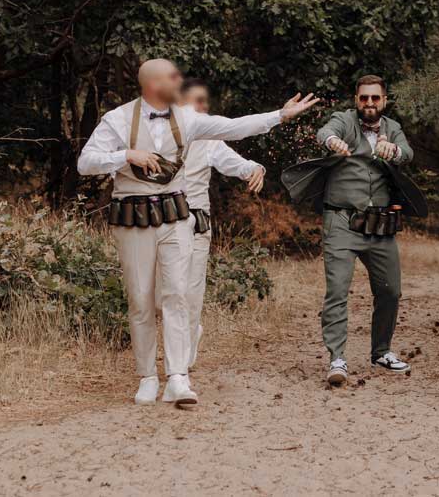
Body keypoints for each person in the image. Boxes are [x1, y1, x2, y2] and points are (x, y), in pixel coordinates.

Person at [77, 59, 318, 406]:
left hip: (177, 216)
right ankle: (147, 376)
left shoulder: (187, 119)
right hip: (133, 218)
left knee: (178, 294)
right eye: (173, 76)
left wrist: (279, 116)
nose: (180, 80)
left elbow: (233, 127)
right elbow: (85, 162)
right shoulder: (116, 120)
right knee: (141, 299)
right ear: (153, 84)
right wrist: (126, 155)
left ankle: (178, 376)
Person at [313, 75, 414, 384]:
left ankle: (381, 351)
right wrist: (333, 142)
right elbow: (325, 132)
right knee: (338, 291)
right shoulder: (344, 120)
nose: (369, 103)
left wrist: (393, 152)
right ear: (356, 100)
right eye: (363, 98)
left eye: (375, 98)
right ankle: (337, 359)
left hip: (379, 225)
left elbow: (407, 154)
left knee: (390, 290)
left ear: (384, 101)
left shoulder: (392, 128)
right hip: (341, 220)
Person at [164, 77, 266, 370]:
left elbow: (236, 163)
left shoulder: (209, 140)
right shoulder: (158, 136)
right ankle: (185, 338)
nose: (202, 109)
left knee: (191, 292)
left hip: (196, 224)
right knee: (167, 292)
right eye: (195, 102)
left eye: (204, 103)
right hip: (163, 225)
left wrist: (255, 168)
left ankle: (179, 366)